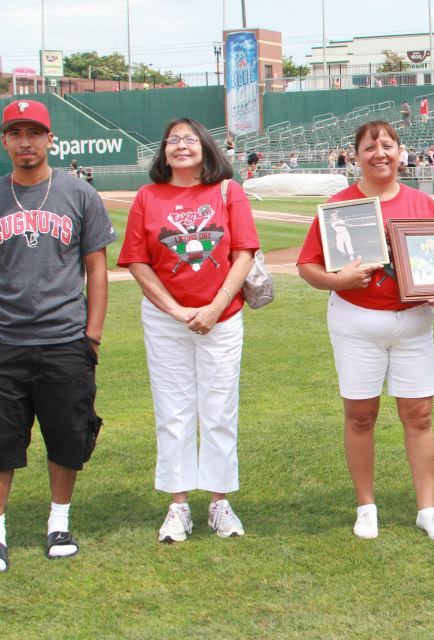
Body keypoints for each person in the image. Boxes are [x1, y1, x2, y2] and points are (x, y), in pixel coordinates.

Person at [297, 120, 434, 541]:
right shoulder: (339, 206)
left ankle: (427, 509)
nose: (380, 154)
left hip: (413, 321)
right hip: (356, 319)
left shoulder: (421, 203)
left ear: (400, 152)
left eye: (388, 145)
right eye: (370, 147)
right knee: (360, 415)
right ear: (356, 155)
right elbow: (307, 265)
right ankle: (366, 506)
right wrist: (338, 281)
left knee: (420, 413)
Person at [117, 118, 259, 544]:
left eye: (190, 139)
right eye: (172, 140)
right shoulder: (148, 196)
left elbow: (244, 252)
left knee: (219, 407)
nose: (181, 146)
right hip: (166, 321)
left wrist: (214, 307)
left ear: (206, 147)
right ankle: (178, 504)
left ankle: (219, 502)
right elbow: (138, 263)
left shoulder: (228, 191)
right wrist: (178, 311)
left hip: (223, 316)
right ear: (163, 152)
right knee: (173, 409)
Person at [0, 99, 116, 570]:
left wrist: (92, 334)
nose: (25, 142)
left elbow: (97, 268)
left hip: (65, 338)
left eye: (34, 132)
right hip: (6, 340)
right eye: (15, 132)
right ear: (5, 140)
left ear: (50, 139)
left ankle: (59, 521)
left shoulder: (78, 193)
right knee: (2, 439)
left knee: (67, 434)